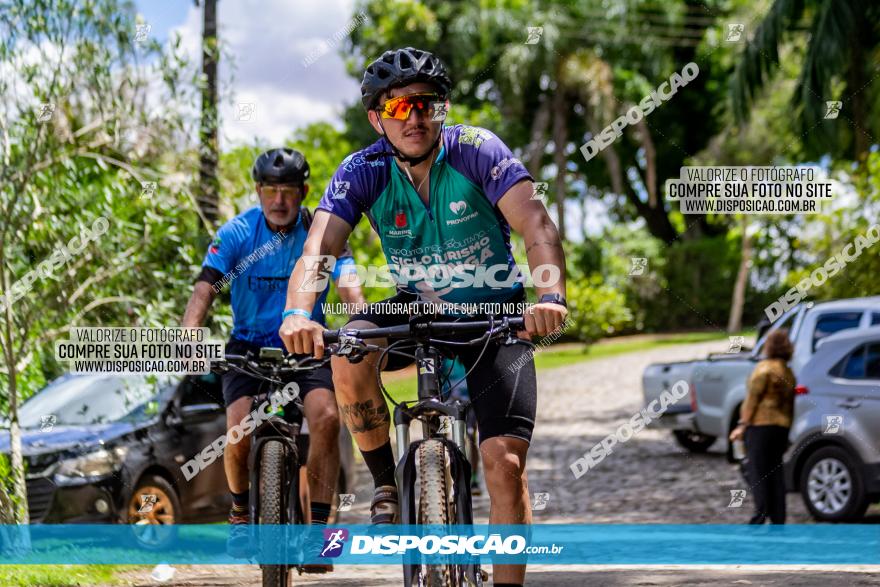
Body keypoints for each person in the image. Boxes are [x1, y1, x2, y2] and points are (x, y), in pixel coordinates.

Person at [279, 47, 567, 587]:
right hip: (420, 307)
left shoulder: (479, 150)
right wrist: (298, 311)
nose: (414, 117)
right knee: (349, 352)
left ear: (443, 107)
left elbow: (537, 226)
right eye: (398, 106)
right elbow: (318, 248)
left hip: (494, 313)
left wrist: (549, 297)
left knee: (505, 467)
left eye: (426, 104)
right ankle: (387, 482)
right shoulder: (361, 171)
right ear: (376, 118)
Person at [181, 148, 364, 561]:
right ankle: (240, 514)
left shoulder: (321, 232)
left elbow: (348, 283)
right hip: (248, 345)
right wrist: (190, 331)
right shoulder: (237, 233)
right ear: (258, 191)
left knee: (327, 418)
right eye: (270, 191)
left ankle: (319, 529)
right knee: (238, 426)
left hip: (306, 345)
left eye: (288, 191)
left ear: (303, 192)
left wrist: (358, 320)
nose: (279, 201)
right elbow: (205, 286)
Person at [729, 328, 796, 524]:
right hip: (780, 428)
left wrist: (742, 425)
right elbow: (790, 406)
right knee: (776, 474)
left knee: (756, 471)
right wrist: (787, 432)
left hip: (760, 427)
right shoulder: (788, 372)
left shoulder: (763, 369)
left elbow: (752, 400)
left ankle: (760, 514)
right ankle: (778, 518)